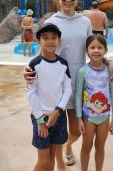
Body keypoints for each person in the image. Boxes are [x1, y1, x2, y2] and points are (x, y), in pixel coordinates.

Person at [23, 0, 113, 169]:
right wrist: (26, 68)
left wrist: (109, 62)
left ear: (77, 0)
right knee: (57, 126)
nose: (68, 0)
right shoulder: (53, 22)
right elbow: (44, 50)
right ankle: (60, 163)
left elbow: (93, 47)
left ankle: (67, 147)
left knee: (75, 130)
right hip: (57, 85)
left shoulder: (84, 22)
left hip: (80, 83)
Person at [27, 24, 72, 171]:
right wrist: (40, 120)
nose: (50, 41)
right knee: (43, 162)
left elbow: (67, 89)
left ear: (59, 41)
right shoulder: (35, 64)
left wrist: (58, 111)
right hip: (41, 118)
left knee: (52, 158)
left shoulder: (63, 64)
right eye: (45, 38)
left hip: (58, 116)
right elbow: (31, 93)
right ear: (38, 41)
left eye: (54, 37)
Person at [75, 34, 113, 171]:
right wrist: (78, 118)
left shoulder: (109, 71)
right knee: (86, 146)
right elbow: (78, 95)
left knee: (100, 147)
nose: (96, 50)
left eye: (100, 47)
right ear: (87, 51)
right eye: (92, 47)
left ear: (105, 50)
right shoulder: (83, 71)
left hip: (104, 118)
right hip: (88, 118)